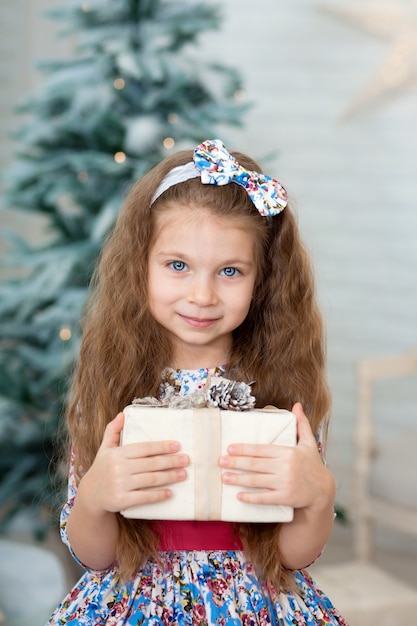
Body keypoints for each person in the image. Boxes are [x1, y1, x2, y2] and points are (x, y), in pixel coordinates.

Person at [48, 139, 348, 625]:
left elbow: (292, 555)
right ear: (140, 263)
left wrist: (318, 498)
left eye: (229, 271)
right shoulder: (112, 383)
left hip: (255, 602)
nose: (202, 295)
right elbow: (94, 555)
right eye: (178, 265)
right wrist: (97, 498)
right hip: (133, 600)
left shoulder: (279, 387)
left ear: (262, 278)